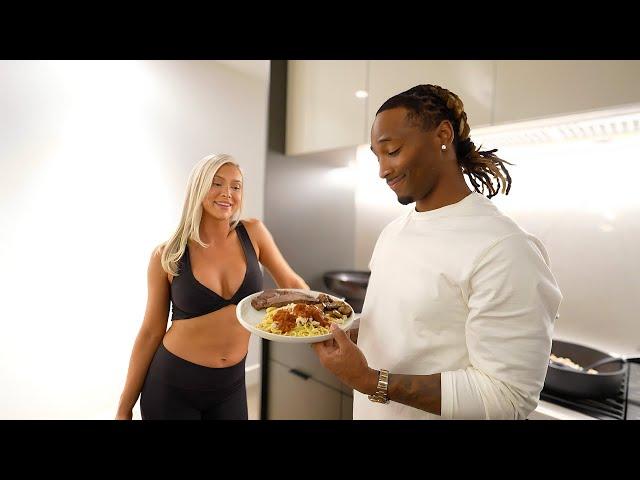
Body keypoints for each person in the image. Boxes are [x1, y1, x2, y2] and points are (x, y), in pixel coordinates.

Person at [312, 84, 563, 419]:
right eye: (377, 156)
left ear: (443, 134)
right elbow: (414, 325)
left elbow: (507, 397)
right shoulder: (393, 233)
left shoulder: (504, 248)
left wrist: (370, 380)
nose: (383, 170)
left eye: (393, 150)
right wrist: (355, 332)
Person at [116, 153, 309, 420]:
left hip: (230, 387)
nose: (227, 193)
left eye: (236, 186)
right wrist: (125, 405)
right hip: (172, 387)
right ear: (199, 187)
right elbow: (150, 332)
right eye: (216, 183)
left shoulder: (253, 233)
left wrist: (327, 321)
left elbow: (291, 283)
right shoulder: (167, 255)